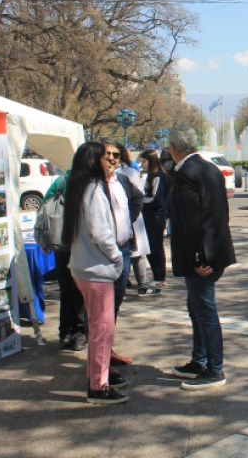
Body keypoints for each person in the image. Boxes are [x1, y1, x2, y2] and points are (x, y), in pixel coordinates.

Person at [167, 125, 236, 390]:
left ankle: (214, 368)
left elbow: (193, 220)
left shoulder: (185, 173)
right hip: (216, 249)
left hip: (202, 255)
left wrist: (198, 259)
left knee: (204, 311)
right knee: (196, 308)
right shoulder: (210, 167)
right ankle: (200, 359)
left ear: (173, 148)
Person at [61, 142, 130, 405]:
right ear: (94, 161)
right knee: (102, 329)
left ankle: (98, 375)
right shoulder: (93, 190)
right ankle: (98, 386)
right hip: (96, 270)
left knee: (98, 327)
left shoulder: (80, 188)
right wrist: (115, 257)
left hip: (85, 268)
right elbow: (100, 233)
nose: (111, 160)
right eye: (105, 157)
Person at [99, 139, 143, 366]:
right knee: (101, 307)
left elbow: (138, 199)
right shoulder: (93, 185)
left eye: (116, 155)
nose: (112, 159)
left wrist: (127, 221)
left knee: (114, 303)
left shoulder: (123, 181)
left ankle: (107, 350)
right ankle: (100, 359)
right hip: (101, 253)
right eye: (107, 154)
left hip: (123, 248)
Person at [44, 171, 87, 352]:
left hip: (61, 244)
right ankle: (78, 333)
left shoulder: (61, 180)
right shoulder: (90, 181)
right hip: (80, 246)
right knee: (79, 292)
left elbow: (44, 207)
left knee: (67, 291)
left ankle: (66, 332)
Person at [116, 143, 156, 296]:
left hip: (132, 217)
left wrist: (131, 215)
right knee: (128, 252)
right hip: (121, 218)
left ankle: (142, 283)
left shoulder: (130, 172)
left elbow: (139, 196)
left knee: (137, 252)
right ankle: (127, 281)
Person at [139, 149, 170, 292]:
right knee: (151, 248)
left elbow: (156, 199)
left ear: (150, 161)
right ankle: (157, 278)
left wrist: (140, 202)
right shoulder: (152, 176)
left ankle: (160, 279)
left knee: (156, 248)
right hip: (150, 216)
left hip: (156, 217)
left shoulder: (158, 176)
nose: (142, 164)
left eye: (144, 161)